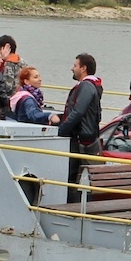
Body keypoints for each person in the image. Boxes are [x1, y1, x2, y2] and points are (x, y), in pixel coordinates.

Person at [55, 53, 103, 198]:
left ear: (83, 68)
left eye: (75, 65)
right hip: (85, 136)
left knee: (74, 175)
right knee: (80, 176)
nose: (72, 68)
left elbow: (78, 111)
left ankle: (73, 205)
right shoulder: (92, 86)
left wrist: (62, 129)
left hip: (81, 138)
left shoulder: (86, 86)